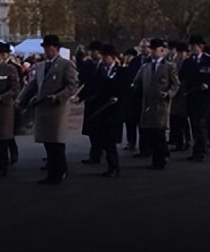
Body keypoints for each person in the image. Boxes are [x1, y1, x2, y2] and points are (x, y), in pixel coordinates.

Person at [16, 35, 79, 184]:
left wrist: (59, 97)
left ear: (56, 49)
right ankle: (52, 170)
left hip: (57, 108)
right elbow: (32, 86)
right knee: (47, 142)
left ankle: (60, 170)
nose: (46, 50)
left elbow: (72, 85)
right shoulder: (41, 66)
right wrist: (21, 99)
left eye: (49, 48)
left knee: (56, 141)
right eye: (45, 48)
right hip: (42, 107)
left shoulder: (65, 64)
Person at [74, 44, 128, 177]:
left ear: (113, 57)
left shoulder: (121, 72)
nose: (104, 59)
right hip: (102, 109)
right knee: (104, 138)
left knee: (110, 140)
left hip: (114, 110)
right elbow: (91, 86)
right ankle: (109, 164)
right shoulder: (100, 71)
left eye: (106, 57)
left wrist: (118, 98)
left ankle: (114, 167)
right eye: (103, 57)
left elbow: (126, 90)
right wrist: (80, 97)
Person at [132, 38, 180, 170]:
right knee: (150, 131)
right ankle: (158, 155)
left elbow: (176, 84)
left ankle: (160, 159)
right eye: (151, 49)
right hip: (147, 103)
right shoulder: (145, 67)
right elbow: (137, 82)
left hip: (161, 103)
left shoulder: (169, 67)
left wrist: (169, 93)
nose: (152, 52)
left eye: (155, 49)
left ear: (162, 51)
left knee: (159, 131)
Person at [181, 35, 210, 162]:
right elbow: (181, 76)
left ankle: (202, 150)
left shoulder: (209, 61)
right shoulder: (188, 62)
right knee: (194, 123)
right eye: (191, 46)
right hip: (191, 96)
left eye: (194, 46)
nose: (192, 48)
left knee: (201, 123)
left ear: (201, 47)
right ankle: (196, 150)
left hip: (205, 97)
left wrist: (209, 85)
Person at [0, 42, 20, 178]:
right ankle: (0, 162)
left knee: (3, 137)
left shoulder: (9, 69)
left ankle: (3, 165)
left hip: (5, 108)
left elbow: (15, 88)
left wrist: (3, 97)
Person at [169, 43, 191, 152]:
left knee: (183, 119)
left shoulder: (189, 63)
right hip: (176, 94)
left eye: (182, 52)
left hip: (184, 93)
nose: (180, 54)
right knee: (175, 119)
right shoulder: (174, 63)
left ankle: (187, 140)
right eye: (179, 52)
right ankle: (179, 141)